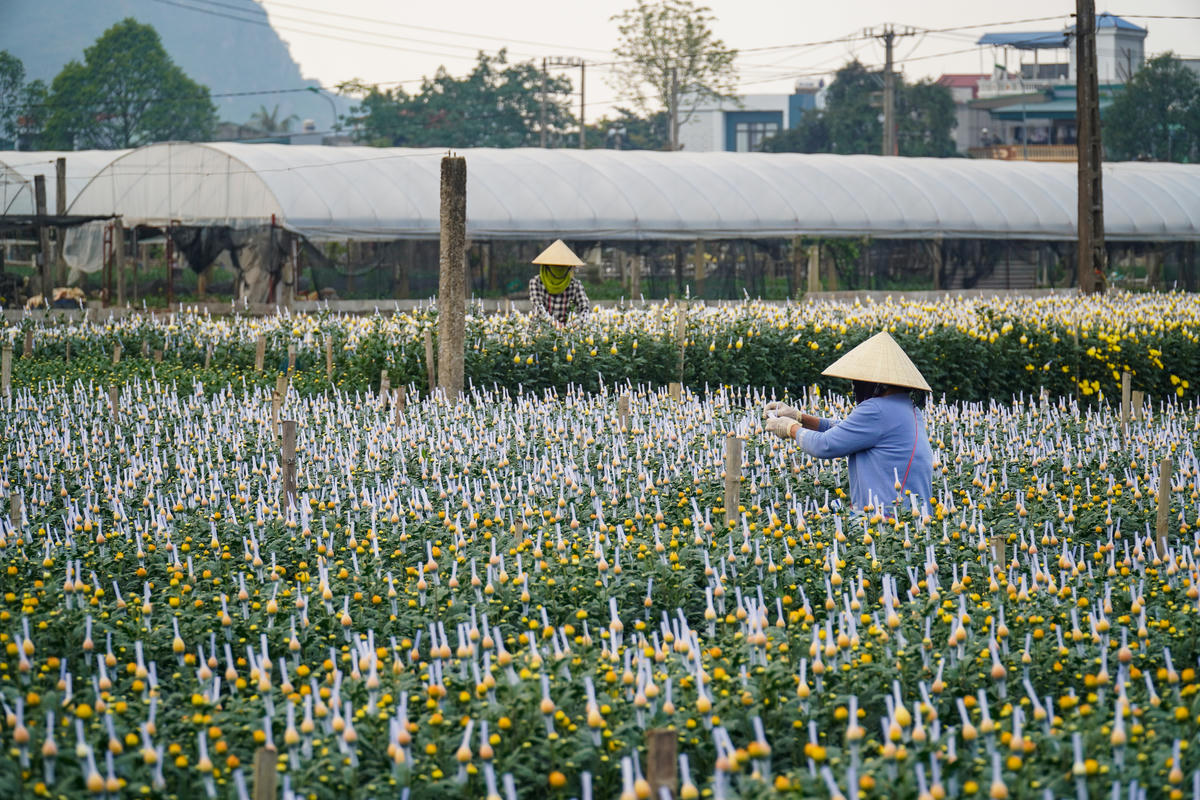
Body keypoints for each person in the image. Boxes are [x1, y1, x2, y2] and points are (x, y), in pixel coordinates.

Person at [764, 331, 933, 515]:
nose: (854, 387)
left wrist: (790, 428)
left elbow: (824, 445)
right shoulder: (908, 408)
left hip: (886, 520)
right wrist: (800, 417)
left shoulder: (876, 409)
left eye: (858, 381)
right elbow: (847, 430)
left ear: (876, 383)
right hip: (913, 516)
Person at [528, 240, 590, 326]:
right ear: (546, 266)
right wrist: (554, 323)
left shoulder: (575, 285)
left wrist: (573, 324)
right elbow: (538, 308)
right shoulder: (536, 282)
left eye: (562, 267)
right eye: (555, 266)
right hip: (541, 331)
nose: (559, 269)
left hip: (566, 332)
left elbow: (585, 308)